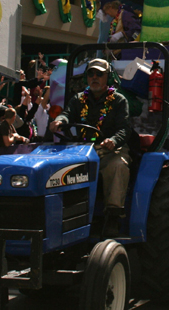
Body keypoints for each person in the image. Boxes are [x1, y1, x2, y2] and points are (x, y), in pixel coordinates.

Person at [48, 58, 131, 237]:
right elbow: (67, 114)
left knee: (118, 166)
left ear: (107, 77)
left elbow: (124, 129)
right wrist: (59, 121)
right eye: (91, 74)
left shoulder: (118, 100)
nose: (94, 77)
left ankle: (113, 218)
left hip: (109, 150)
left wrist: (113, 141)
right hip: (81, 149)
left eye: (99, 74)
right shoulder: (78, 99)